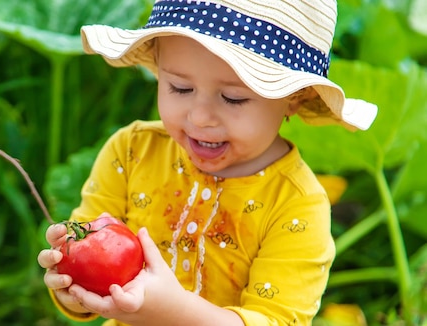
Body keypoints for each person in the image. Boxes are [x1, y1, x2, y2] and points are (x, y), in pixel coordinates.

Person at [37, 0, 377, 325]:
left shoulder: (295, 205)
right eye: (180, 88)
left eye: (233, 98)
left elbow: (276, 319)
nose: (199, 118)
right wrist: (72, 287)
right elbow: (89, 255)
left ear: (293, 99)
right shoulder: (131, 152)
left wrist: (172, 312)